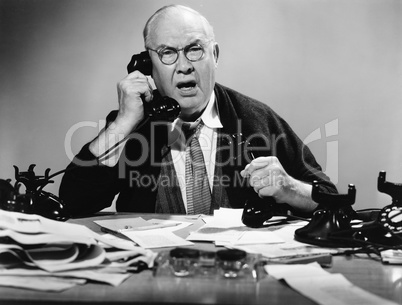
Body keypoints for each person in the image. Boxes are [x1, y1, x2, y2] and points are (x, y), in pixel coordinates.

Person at [59, 4, 337, 218]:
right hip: (154, 278)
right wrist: (123, 124)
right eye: (167, 53)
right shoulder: (132, 122)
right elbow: (73, 202)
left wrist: (289, 188)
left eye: (195, 49)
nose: (184, 66)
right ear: (148, 65)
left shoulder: (256, 119)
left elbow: (332, 202)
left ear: (215, 56)